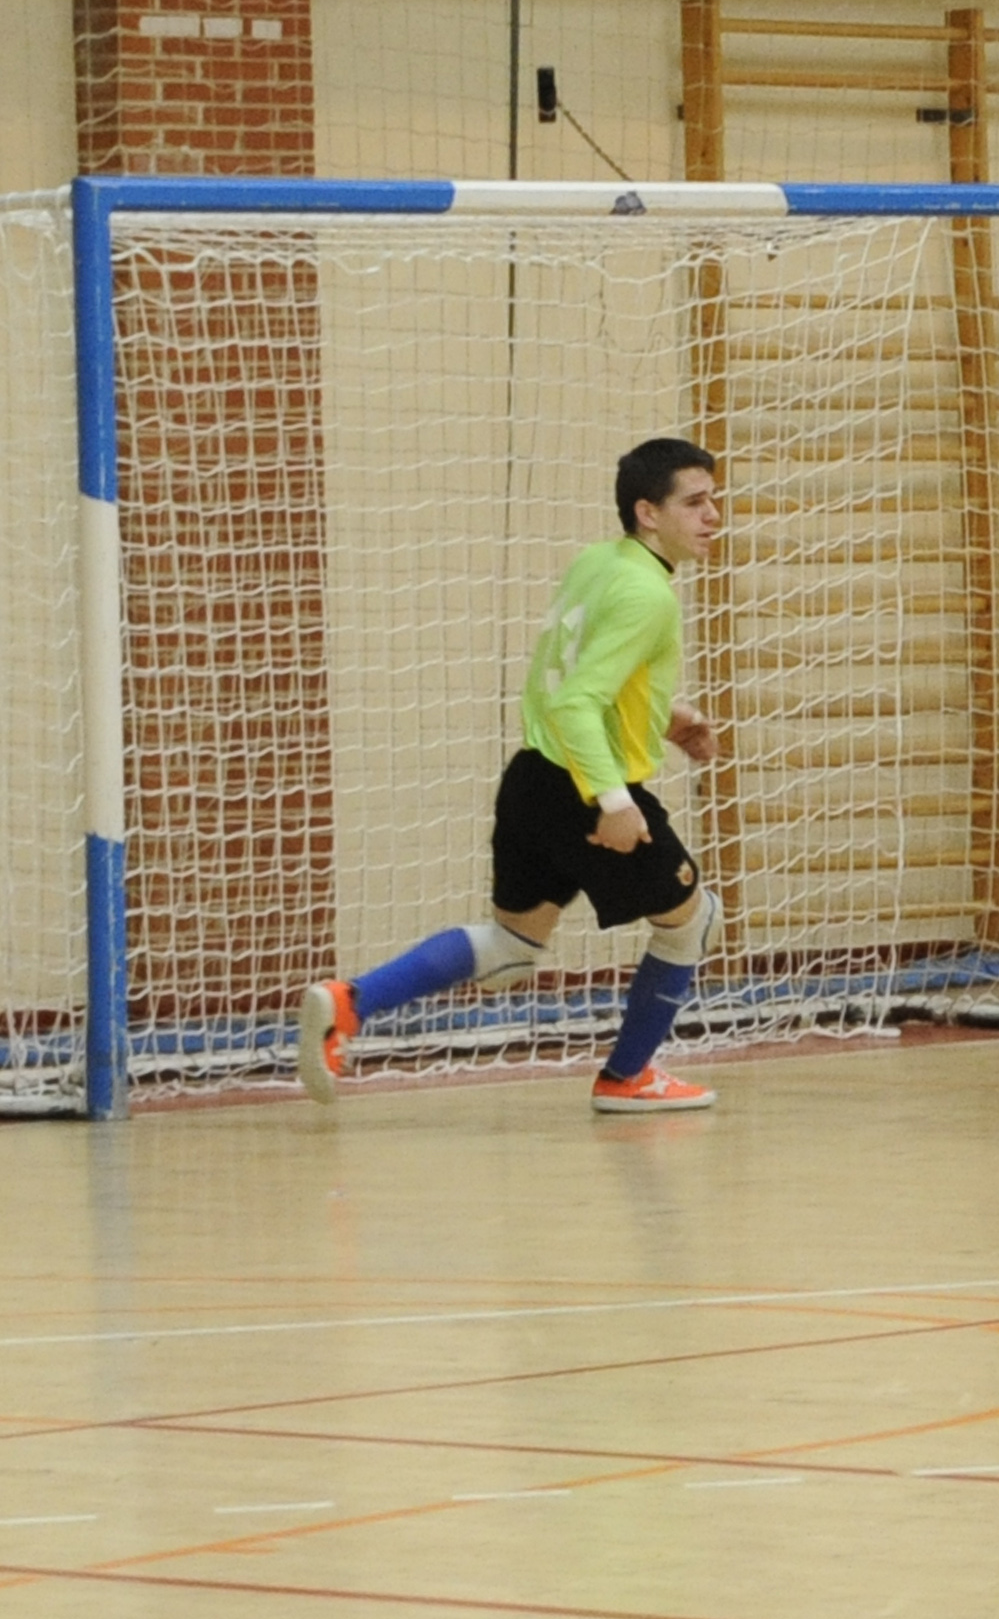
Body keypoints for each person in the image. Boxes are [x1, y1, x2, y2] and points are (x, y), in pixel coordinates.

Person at [297, 437, 731, 1114]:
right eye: (696, 503)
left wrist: (659, 717)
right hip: (587, 791)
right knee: (692, 923)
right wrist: (615, 802)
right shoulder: (652, 596)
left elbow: (569, 671)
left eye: (713, 500)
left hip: (533, 778)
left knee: (509, 947)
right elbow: (578, 700)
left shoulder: (598, 562)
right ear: (648, 512)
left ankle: (351, 1002)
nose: (713, 516)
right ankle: (628, 1077)